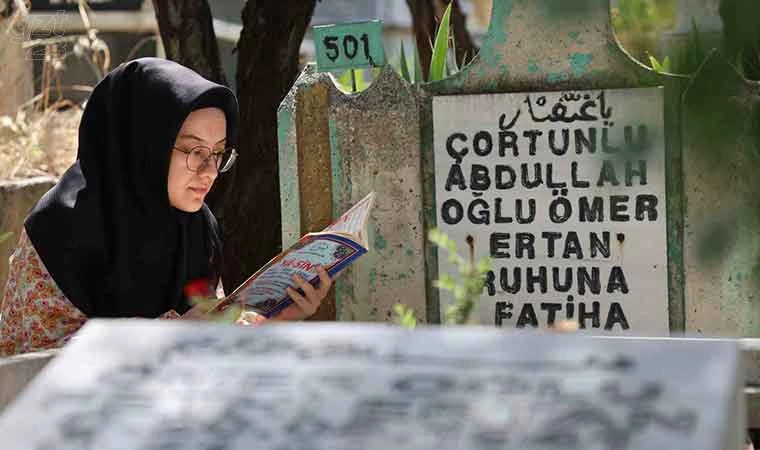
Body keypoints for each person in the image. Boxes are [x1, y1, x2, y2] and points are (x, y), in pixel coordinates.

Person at [0, 57, 331, 357]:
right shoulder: (59, 230)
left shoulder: (198, 228)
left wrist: (276, 318)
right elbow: (29, 365)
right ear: (143, 146)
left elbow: (210, 333)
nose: (210, 171)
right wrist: (173, 333)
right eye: (193, 150)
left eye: (218, 154)